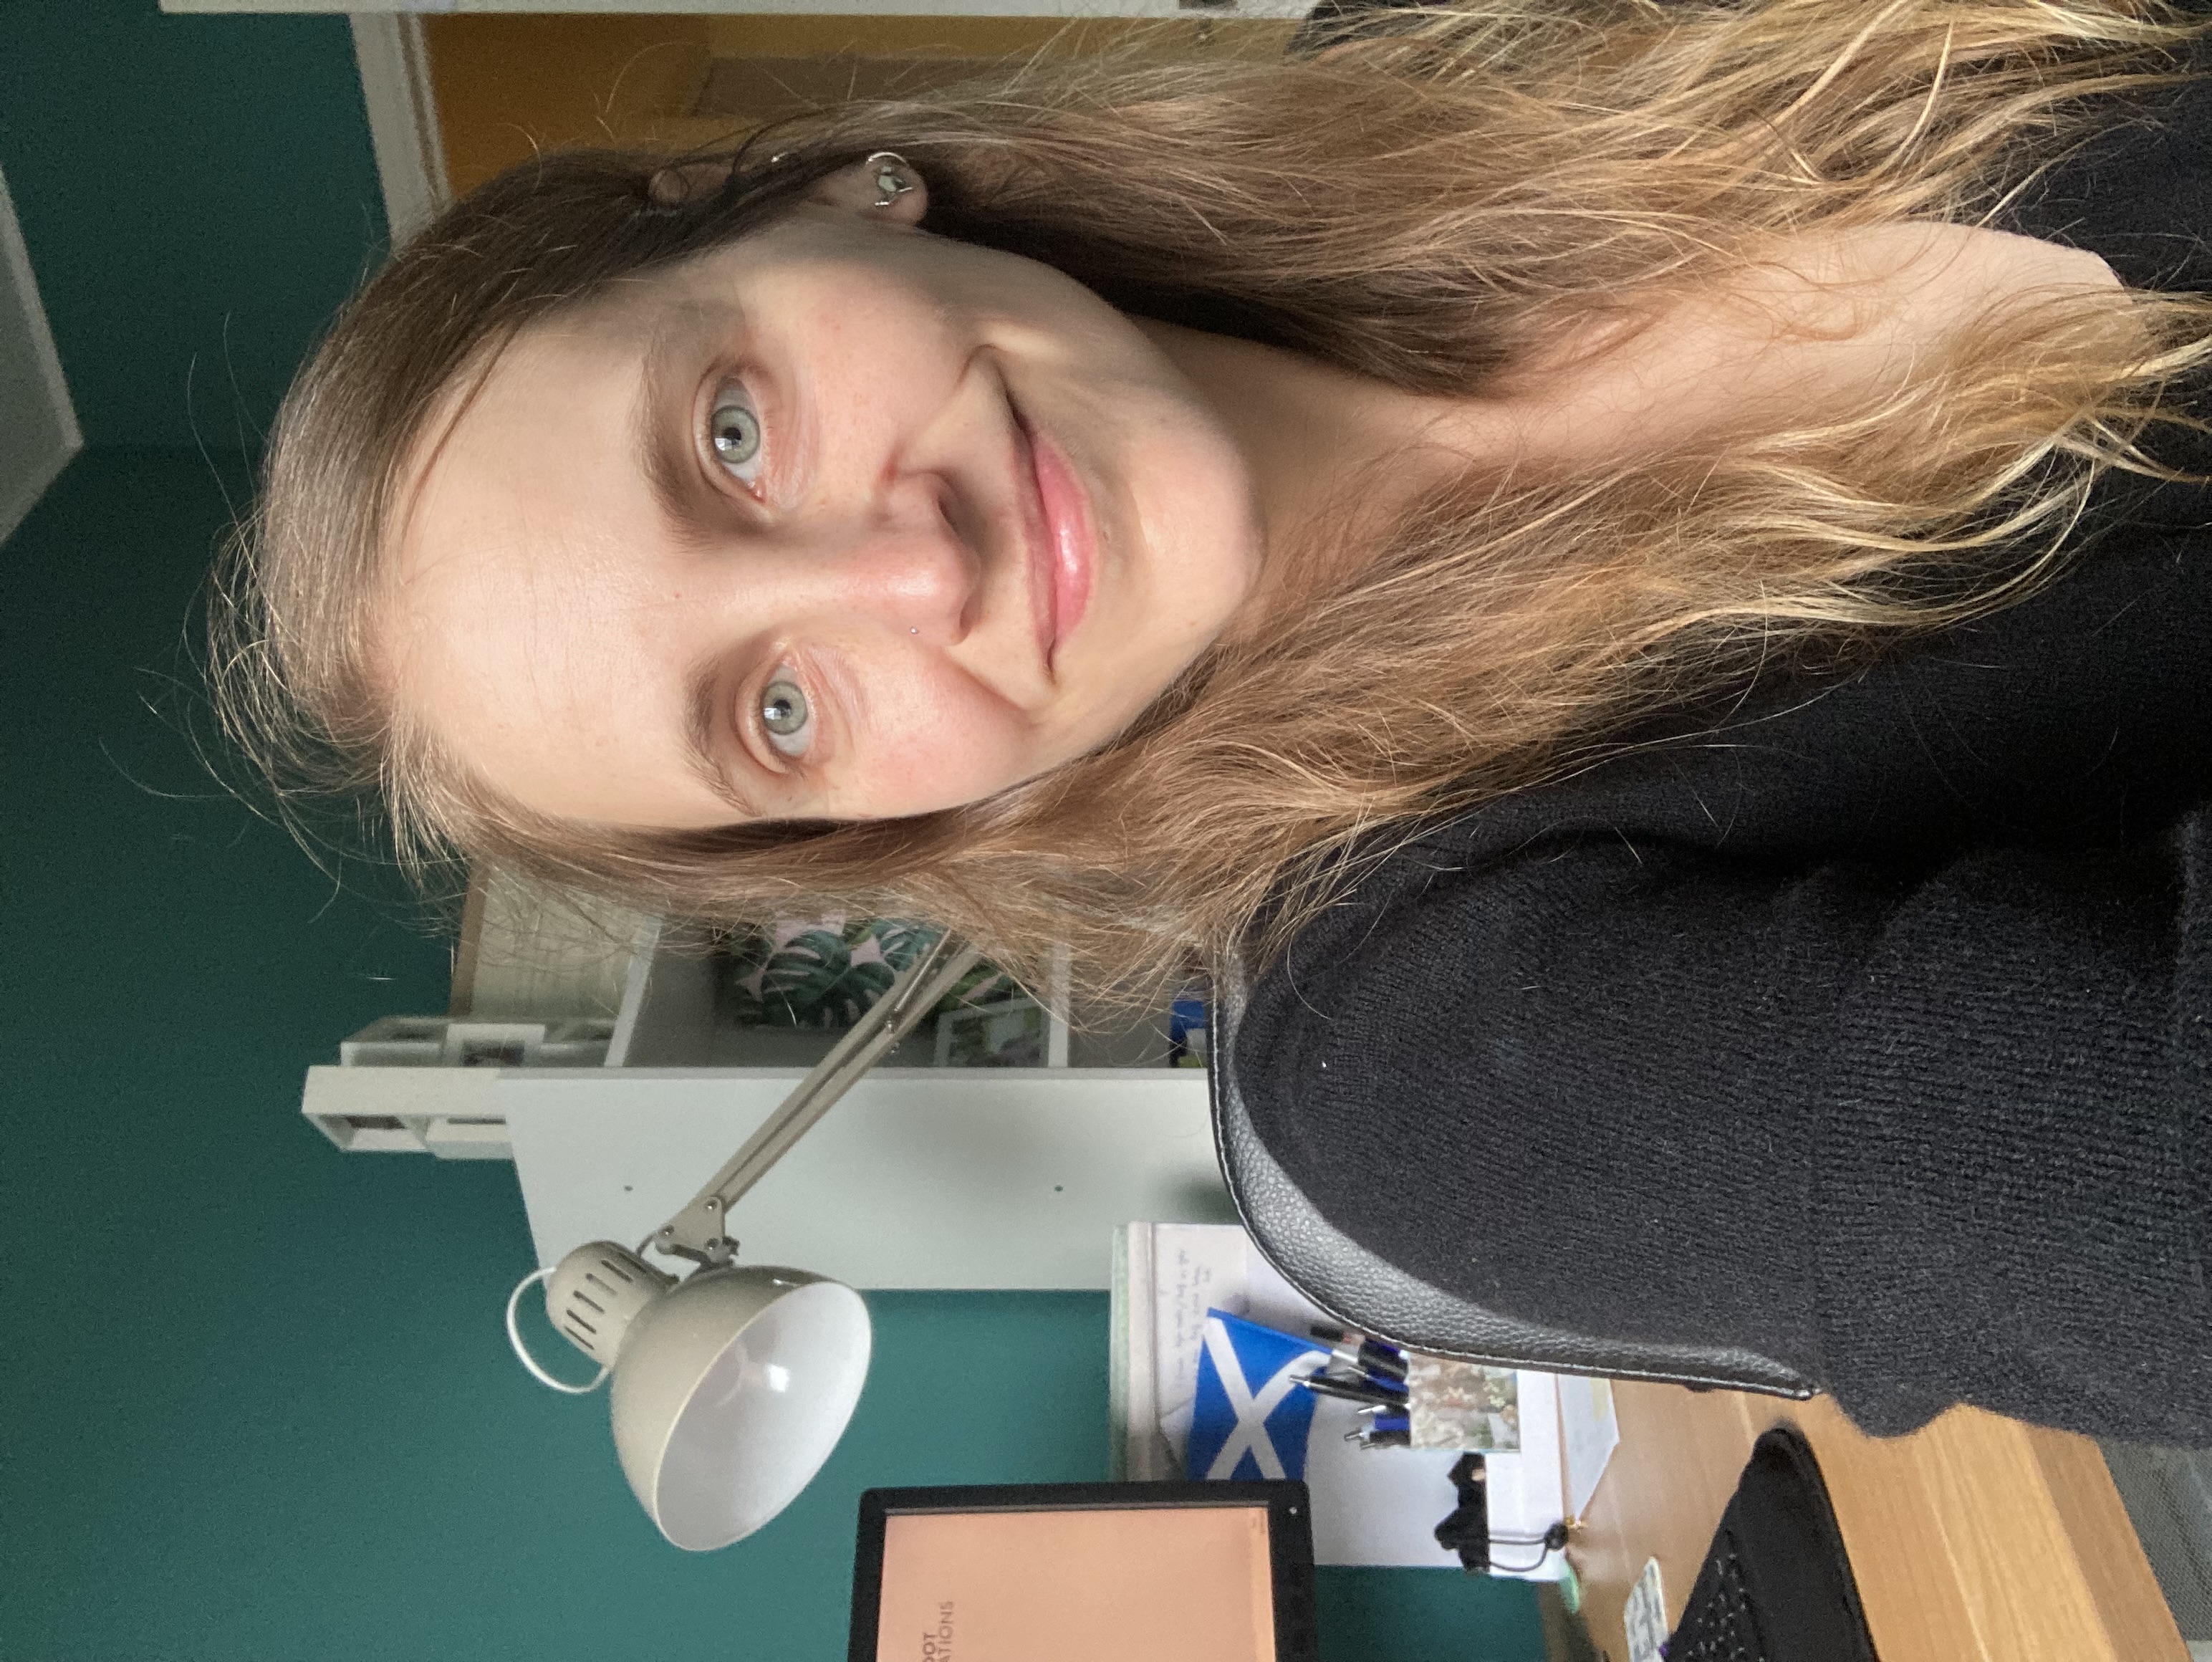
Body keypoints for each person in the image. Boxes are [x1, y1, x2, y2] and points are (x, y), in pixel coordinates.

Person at [215, 0, 2212, 1442]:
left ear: (833, 192)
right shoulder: (1421, 1069)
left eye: (733, 434)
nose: (916, 571)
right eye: (781, 708)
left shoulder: (1467, 39)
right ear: (865, 836)